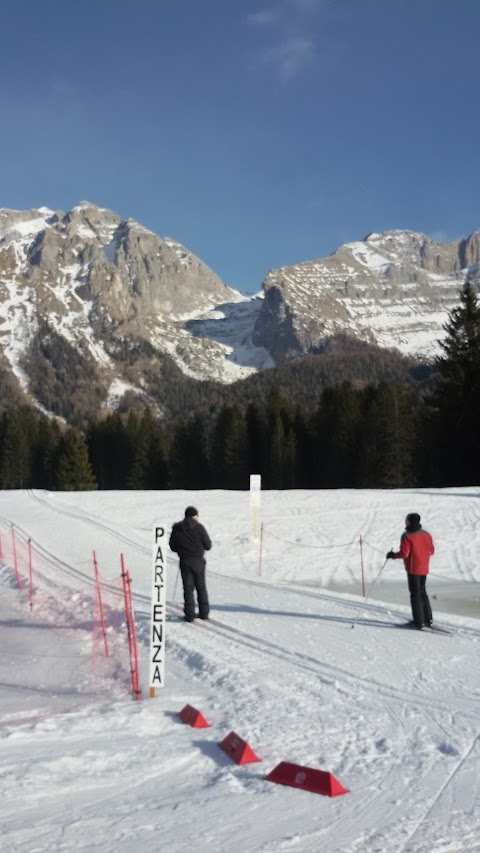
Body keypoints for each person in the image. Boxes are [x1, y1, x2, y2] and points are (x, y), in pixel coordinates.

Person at [386, 512, 435, 630]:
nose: (405, 522)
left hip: (413, 569)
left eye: (406, 520)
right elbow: (431, 550)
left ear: (410, 522)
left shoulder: (407, 535)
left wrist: (392, 555)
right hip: (424, 567)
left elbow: (404, 553)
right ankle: (428, 619)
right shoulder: (426, 534)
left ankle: (418, 621)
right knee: (423, 592)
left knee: (415, 594)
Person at [169, 506, 212, 622]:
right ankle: (204, 613)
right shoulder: (199, 527)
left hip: (185, 561)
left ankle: (189, 615)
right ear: (195, 516)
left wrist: (181, 550)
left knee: (188, 588)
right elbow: (208, 545)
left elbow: (172, 546)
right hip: (198, 561)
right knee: (201, 587)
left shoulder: (177, 528)